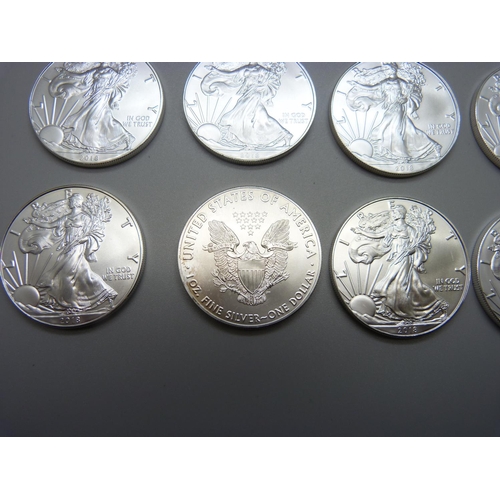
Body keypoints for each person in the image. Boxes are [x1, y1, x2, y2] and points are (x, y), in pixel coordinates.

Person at [19, 192, 117, 311]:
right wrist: (33, 222)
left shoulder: (85, 218)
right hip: (67, 248)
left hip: (77, 248)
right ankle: (105, 294)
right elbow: (50, 225)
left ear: (76, 203)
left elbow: (95, 232)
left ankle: (73, 305)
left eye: (71, 200)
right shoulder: (66, 217)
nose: (69, 202)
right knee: (84, 275)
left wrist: (84, 239)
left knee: (66, 275)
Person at [349, 204, 447, 320]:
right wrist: (361, 231)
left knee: (399, 281)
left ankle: (402, 309)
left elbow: (417, 245)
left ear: (400, 214)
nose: (393, 214)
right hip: (396, 258)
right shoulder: (392, 228)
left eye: (395, 213)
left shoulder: (409, 229)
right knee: (407, 284)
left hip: (405, 258)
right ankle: (400, 310)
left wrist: (411, 250)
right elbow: (377, 235)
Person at [346, 62, 441, 162]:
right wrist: (358, 85)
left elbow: (409, 94)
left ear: (395, 69)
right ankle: (433, 146)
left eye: (391, 69)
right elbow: (372, 89)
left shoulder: (401, 82)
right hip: (390, 108)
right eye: (387, 70)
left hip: (398, 108)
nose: (390, 72)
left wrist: (404, 99)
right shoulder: (385, 83)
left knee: (394, 129)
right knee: (407, 130)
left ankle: (402, 156)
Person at [200, 62, 292, 149]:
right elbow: (230, 74)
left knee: (241, 116)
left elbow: (272, 80)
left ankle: (250, 143)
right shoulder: (246, 68)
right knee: (262, 118)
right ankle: (285, 136)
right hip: (248, 94)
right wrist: (215, 70)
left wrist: (261, 88)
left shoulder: (262, 69)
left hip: (254, 95)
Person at [49, 62, 137, 152]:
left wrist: (111, 92)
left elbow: (123, 83)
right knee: (104, 121)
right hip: (94, 96)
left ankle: (93, 145)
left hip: (102, 97)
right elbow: (81, 76)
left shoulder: (112, 72)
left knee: (91, 119)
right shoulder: (95, 70)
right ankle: (127, 137)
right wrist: (66, 73)